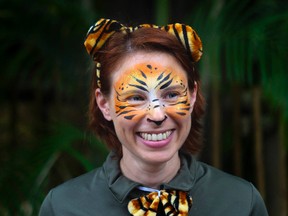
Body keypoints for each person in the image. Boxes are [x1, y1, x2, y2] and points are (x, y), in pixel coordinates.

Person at [39, 18, 268, 216]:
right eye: (136, 97)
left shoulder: (240, 201)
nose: (157, 114)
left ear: (192, 95)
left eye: (171, 94)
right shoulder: (62, 207)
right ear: (104, 104)